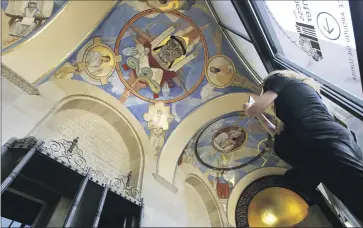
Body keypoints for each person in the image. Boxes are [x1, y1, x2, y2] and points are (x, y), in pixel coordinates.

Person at [243, 70, 363, 223]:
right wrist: (260, 115)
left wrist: (250, 108)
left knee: (355, 188)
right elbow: (277, 132)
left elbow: (254, 109)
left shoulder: (278, 78)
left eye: (263, 87)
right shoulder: (301, 100)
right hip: (329, 140)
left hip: (321, 139)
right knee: (352, 191)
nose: (263, 90)